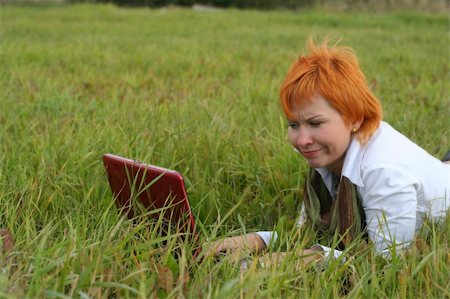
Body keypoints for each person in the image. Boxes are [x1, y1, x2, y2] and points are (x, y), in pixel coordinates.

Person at [205, 39, 450, 266]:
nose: (301, 140)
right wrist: (254, 240)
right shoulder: (329, 154)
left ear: (354, 117)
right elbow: (306, 234)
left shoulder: (385, 173)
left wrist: (295, 260)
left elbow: (385, 263)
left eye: (315, 124)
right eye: (293, 125)